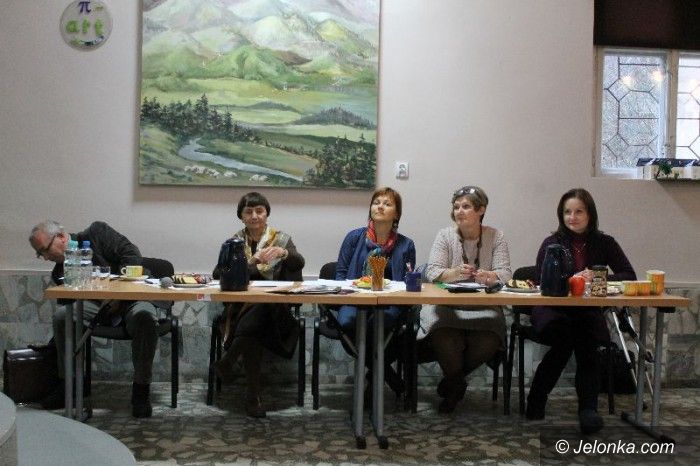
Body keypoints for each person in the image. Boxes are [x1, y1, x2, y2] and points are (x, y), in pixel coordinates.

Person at [526, 188, 636, 434]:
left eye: (578, 211)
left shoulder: (604, 242)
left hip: (585, 310)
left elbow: (629, 275)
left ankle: (586, 409)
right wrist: (572, 278)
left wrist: (598, 276)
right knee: (569, 339)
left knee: (585, 341)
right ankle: (542, 400)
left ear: (590, 214)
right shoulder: (552, 243)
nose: (572, 217)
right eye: (567, 212)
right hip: (553, 310)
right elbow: (541, 281)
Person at [29, 220, 159, 418]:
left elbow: (132, 255)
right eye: (40, 254)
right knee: (63, 317)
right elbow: (70, 302)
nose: (46, 258)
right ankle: (70, 385)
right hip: (98, 308)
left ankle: (141, 390)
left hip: (132, 298)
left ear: (61, 237)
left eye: (45, 250)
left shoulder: (97, 233)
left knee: (146, 317)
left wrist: (116, 294)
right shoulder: (60, 272)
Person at [417, 186, 512, 414]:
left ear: (481, 210)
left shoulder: (496, 236)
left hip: (483, 306)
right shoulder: (445, 236)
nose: (459, 211)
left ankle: (451, 382)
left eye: (466, 206)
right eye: (456, 207)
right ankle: (455, 386)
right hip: (446, 305)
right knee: (442, 332)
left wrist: (489, 276)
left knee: (491, 337)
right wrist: (455, 273)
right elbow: (432, 272)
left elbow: (505, 273)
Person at [211, 192, 304, 418]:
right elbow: (218, 275)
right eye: (248, 211)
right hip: (239, 311)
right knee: (254, 325)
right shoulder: (234, 243)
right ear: (241, 216)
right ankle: (252, 398)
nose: (254, 216)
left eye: (259, 211)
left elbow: (299, 262)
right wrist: (252, 261)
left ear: (266, 214)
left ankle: (229, 363)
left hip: (277, 313)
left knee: (262, 306)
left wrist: (284, 253)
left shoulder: (281, 239)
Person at [335, 187, 416, 398]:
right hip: (354, 299)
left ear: (396, 214)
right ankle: (386, 374)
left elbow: (406, 283)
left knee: (383, 325)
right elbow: (340, 275)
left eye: (387, 204)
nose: (380, 207)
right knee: (346, 323)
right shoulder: (354, 238)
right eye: (376, 202)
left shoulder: (406, 245)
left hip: (389, 302)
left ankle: (372, 381)